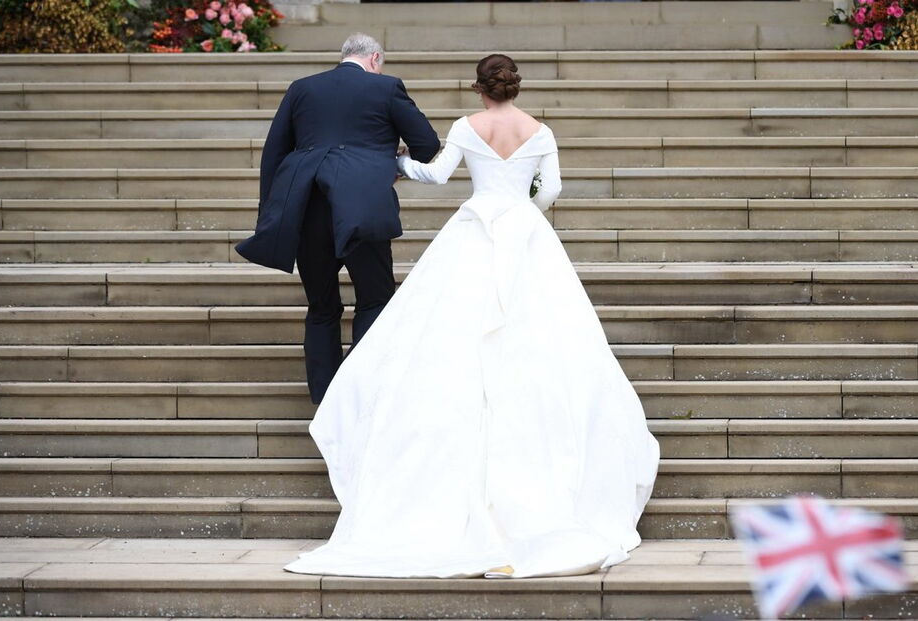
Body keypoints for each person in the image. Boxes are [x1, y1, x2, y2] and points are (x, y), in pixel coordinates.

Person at [283, 54, 660, 579]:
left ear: (479, 88)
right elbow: (550, 191)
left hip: (474, 228)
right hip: (525, 232)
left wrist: (395, 165)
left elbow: (436, 176)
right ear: (514, 88)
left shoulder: (466, 126)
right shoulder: (540, 131)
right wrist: (524, 203)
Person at [235, 33, 440, 404]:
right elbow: (427, 143)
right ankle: (360, 393)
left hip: (307, 206)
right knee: (374, 299)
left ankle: (325, 398)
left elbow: (274, 153)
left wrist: (271, 213)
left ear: (344, 56)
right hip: (362, 206)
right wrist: (391, 162)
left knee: (322, 306)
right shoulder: (387, 88)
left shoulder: (302, 88)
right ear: (375, 58)